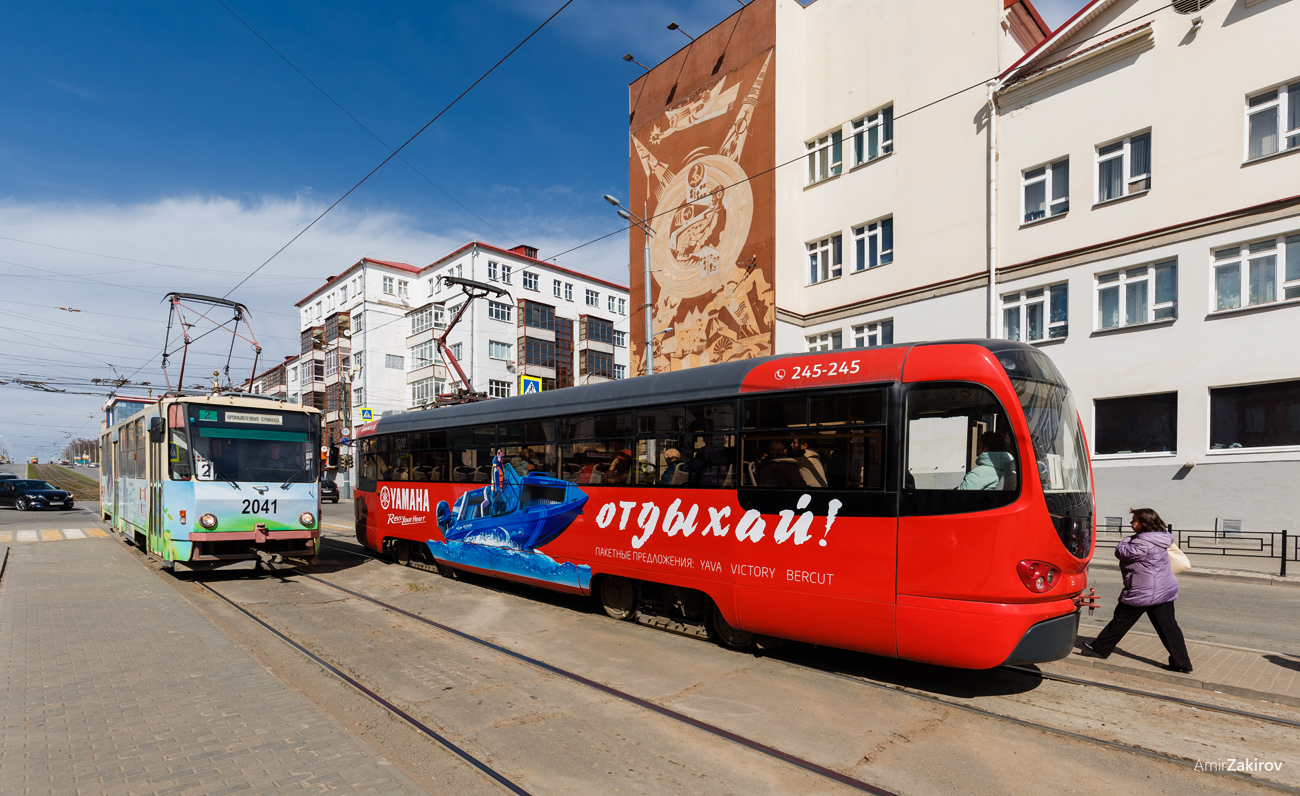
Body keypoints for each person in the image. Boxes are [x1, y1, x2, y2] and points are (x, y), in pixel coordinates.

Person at [1082, 508, 1193, 673]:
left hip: (1144, 591)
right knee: (1168, 627)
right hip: (1163, 589)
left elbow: (1121, 552)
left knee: (1121, 619)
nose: (1131, 523)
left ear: (1144, 524)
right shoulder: (1160, 537)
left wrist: (1127, 539)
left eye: (1134, 521)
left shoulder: (1141, 543)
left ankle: (1100, 649)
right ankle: (1182, 663)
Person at [488, 448, 509, 514]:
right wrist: (502, 496)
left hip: (499, 492)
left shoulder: (501, 466)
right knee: (495, 513)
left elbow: (502, 480)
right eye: (501, 457)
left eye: (503, 457)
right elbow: (497, 485)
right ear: (497, 457)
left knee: (503, 509)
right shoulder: (496, 469)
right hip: (495, 495)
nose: (502, 459)